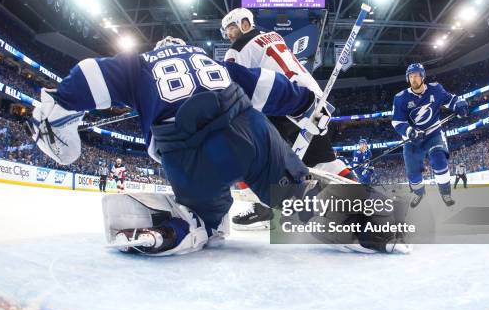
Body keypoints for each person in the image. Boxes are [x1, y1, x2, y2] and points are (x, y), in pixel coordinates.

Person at [30, 37, 409, 256]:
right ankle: (371, 229)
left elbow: (90, 73)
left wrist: (59, 103)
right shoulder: (211, 60)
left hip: (186, 150)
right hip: (246, 125)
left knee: (207, 221)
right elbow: (266, 86)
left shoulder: (139, 63)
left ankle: (176, 229)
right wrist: (306, 104)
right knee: (297, 194)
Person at [221, 7, 352, 230]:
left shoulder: (236, 51)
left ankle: (264, 208)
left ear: (245, 23)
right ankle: (365, 199)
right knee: (324, 160)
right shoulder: (275, 36)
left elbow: (237, 88)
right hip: (313, 98)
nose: (230, 35)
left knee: (248, 154)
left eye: (232, 28)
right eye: (227, 31)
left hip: (281, 103)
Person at [391, 63, 469, 208]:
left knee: (439, 160)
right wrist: (410, 132)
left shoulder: (436, 89)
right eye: (411, 76)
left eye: (416, 75)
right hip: (412, 139)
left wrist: (460, 105)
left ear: (423, 77)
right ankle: (419, 193)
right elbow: (397, 122)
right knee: (413, 173)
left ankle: (445, 192)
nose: (413, 79)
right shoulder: (400, 98)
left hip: (433, 133)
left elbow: (452, 100)